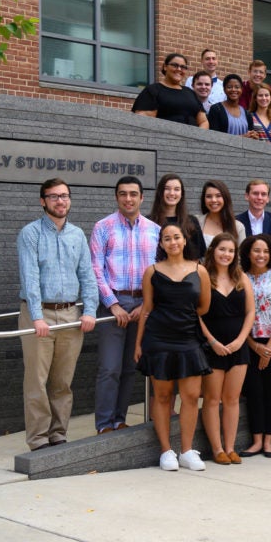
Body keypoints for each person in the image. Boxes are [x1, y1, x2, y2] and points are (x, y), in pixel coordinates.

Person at [17, 179, 98, 451]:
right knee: (37, 382)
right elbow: (30, 276)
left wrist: (89, 310)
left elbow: (87, 275)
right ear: (43, 201)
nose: (60, 201)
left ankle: (58, 434)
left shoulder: (77, 234)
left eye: (64, 196)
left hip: (70, 315)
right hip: (38, 315)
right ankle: (39, 439)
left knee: (63, 381)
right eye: (53, 197)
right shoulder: (30, 233)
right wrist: (37, 316)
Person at [134, 222, 211, 471]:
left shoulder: (200, 271)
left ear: (185, 240)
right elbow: (147, 309)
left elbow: (204, 307)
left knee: (190, 396)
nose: (173, 242)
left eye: (176, 237)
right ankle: (166, 451)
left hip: (188, 337)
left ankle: (187, 451)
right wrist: (139, 343)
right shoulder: (152, 272)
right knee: (164, 396)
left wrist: (182, 316)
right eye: (167, 238)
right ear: (161, 243)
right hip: (159, 339)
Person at [91, 176, 160, 434]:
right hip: (114, 305)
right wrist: (112, 304)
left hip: (143, 305)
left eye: (133, 194)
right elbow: (95, 270)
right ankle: (104, 424)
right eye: (123, 194)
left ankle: (119, 419)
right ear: (117, 197)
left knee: (131, 366)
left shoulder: (155, 230)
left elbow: (159, 271)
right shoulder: (103, 227)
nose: (128, 199)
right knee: (110, 367)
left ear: (142, 197)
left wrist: (146, 306)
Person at [198, 233, 254, 465]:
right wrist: (212, 342)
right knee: (212, 399)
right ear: (213, 250)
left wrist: (241, 340)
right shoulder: (203, 276)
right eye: (222, 249)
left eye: (231, 251)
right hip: (212, 347)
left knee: (232, 399)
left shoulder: (241, 277)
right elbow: (195, 314)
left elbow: (250, 312)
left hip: (237, 347)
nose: (226, 254)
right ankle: (217, 449)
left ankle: (231, 447)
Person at [239, 234, 271, 458]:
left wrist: (268, 347)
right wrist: (253, 345)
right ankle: (256, 440)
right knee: (253, 390)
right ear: (248, 253)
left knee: (270, 389)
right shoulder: (240, 277)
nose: (261, 255)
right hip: (248, 341)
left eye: (266, 251)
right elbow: (239, 315)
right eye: (257, 251)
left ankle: (269, 440)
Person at [132, 53, 208, 128]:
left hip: (192, 139)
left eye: (183, 67)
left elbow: (203, 121)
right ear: (165, 67)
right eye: (175, 65)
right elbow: (144, 121)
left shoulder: (190, 93)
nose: (179, 69)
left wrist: (196, 137)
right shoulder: (153, 90)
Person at [149, 173, 205, 261]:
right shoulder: (149, 222)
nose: (172, 193)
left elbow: (197, 258)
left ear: (181, 193)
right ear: (160, 192)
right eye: (167, 189)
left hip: (186, 273)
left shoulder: (192, 221)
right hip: (155, 272)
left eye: (176, 189)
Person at [236, 179, 271, 267]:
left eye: (263, 194)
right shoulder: (236, 222)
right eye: (255, 193)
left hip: (270, 274)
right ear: (247, 196)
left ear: (268, 199)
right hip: (243, 274)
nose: (259, 197)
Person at [197, 180, 246, 247]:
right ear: (204, 200)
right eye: (209, 196)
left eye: (218, 196)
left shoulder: (238, 227)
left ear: (225, 198)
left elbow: (241, 255)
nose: (213, 200)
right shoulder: (196, 222)